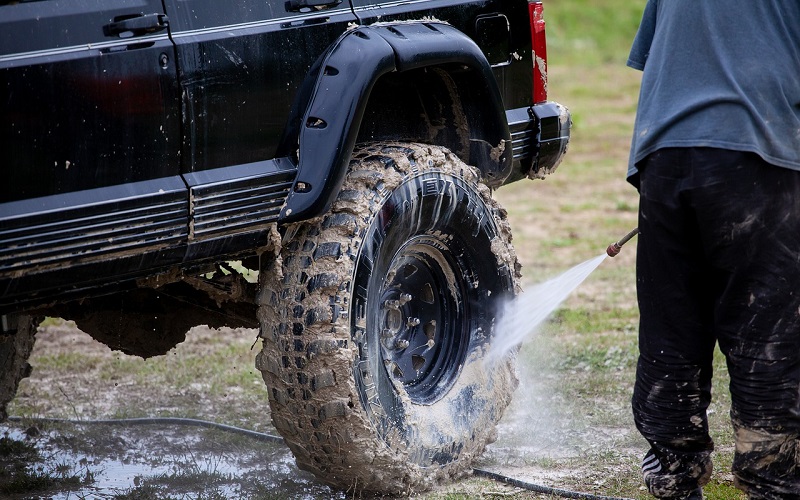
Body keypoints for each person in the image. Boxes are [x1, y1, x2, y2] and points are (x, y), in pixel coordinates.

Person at [626, 1, 800, 499]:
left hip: (663, 158)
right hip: (757, 151)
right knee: (768, 330)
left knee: (672, 326)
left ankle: (672, 473)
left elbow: (666, 59)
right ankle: (773, 480)